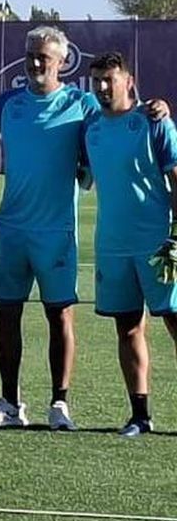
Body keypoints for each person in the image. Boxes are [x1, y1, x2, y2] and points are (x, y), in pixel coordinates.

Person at [0, 25, 102, 432]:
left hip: (56, 231)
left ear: (62, 62)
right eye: (31, 54)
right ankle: (11, 401)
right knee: (7, 314)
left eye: (44, 57)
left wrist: (151, 109)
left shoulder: (82, 104)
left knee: (60, 315)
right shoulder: (9, 104)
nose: (36, 63)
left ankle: (59, 402)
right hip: (11, 228)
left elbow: (118, 122)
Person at [79, 52, 177, 437]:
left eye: (110, 80)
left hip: (157, 243)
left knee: (173, 320)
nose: (103, 88)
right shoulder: (92, 130)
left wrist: (176, 234)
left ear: (129, 80)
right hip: (113, 245)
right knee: (128, 328)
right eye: (98, 81)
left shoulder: (154, 123)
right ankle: (140, 415)